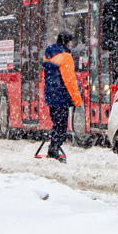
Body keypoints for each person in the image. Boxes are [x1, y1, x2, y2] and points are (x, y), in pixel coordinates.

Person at [42, 31, 83, 163]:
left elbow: (45, 77)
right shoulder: (66, 57)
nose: (72, 44)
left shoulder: (48, 55)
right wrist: (77, 101)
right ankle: (53, 150)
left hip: (51, 95)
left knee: (57, 123)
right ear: (67, 42)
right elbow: (69, 81)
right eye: (70, 42)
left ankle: (53, 148)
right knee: (61, 125)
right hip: (60, 96)